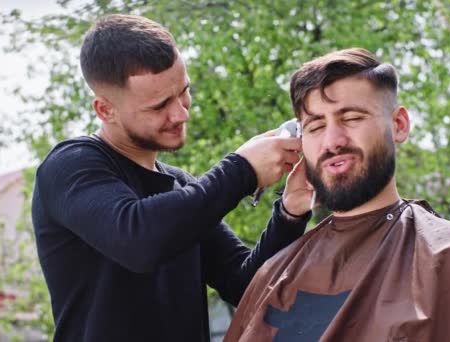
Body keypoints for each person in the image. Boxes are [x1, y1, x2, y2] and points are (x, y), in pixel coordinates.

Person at [31, 14, 314, 341]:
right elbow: (139, 241)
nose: (181, 113)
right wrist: (243, 169)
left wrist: (291, 211)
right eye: (159, 106)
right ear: (105, 110)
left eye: (183, 92)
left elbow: (247, 285)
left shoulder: (182, 188)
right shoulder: (70, 166)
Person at [224, 48, 450, 342]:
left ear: (398, 125)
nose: (333, 141)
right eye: (316, 126)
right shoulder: (273, 276)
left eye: (352, 118)